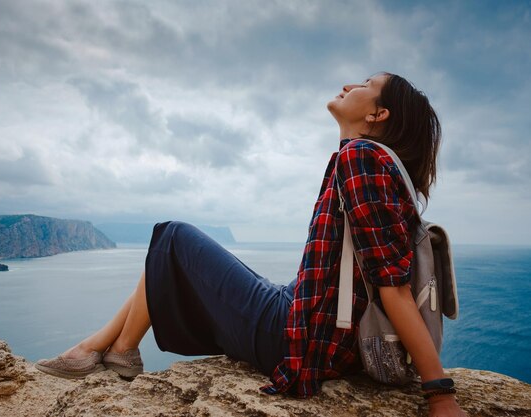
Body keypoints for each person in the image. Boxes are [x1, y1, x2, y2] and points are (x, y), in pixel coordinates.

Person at [35, 71, 467, 417]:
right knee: (171, 255)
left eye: (365, 85)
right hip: (309, 321)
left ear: (378, 115)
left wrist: (439, 393)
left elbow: (392, 286)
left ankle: (115, 349)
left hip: (298, 340)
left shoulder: (361, 158)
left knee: (173, 237)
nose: (349, 85)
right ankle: (103, 347)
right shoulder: (370, 164)